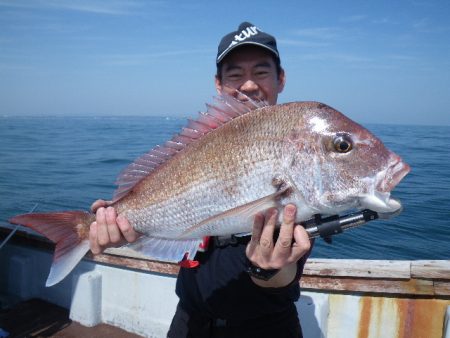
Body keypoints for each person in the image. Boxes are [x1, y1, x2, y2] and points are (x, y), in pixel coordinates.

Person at [89, 22, 312, 338]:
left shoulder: (298, 150)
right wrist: (125, 224)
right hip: (188, 323)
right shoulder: (195, 147)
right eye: (235, 75)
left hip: (266, 328)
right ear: (218, 84)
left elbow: (286, 273)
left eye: (261, 72)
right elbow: (164, 209)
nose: (248, 85)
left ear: (281, 79)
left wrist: (270, 269)